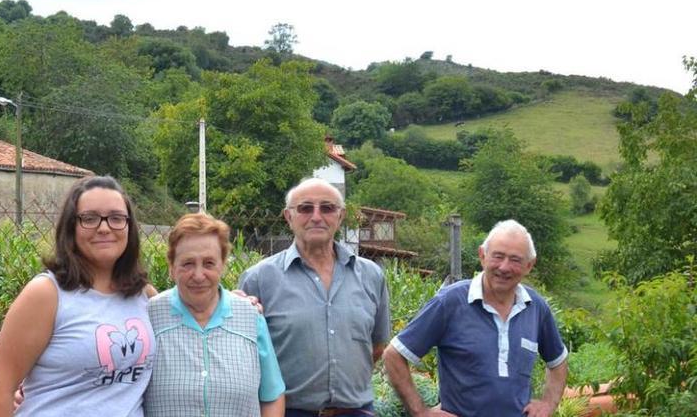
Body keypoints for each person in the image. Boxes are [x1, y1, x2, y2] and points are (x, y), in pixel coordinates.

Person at [0, 176, 155, 417]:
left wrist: (227, 298)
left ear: (129, 227)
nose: (104, 227)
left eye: (116, 218)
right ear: (71, 227)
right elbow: (0, 387)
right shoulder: (46, 294)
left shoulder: (144, 294)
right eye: (90, 218)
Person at [382, 219, 568, 417]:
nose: (504, 267)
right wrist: (420, 411)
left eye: (515, 260)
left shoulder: (536, 307)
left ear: (529, 265)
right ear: (482, 256)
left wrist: (548, 403)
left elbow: (558, 361)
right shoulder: (450, 302)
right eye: (498, 256)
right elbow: (394, 355)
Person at [239, 177, 391, 417]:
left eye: (327, 208)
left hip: (356, 412)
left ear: (340, 216)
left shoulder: (371, 275)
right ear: (289, 217)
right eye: (305, 208)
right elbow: (244, 356)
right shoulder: (259, 279)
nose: (317, 217)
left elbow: (377, 347)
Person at [145, 213, 285, 416]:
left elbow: (272, 395)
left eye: (209, 263)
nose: (199, 275)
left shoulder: (250, 317)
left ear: (223, 265)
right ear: (171, 267)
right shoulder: (150, 316)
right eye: (188, 263)